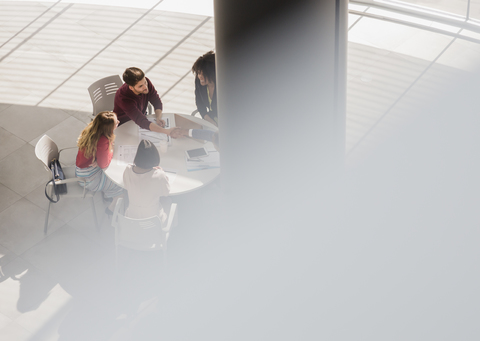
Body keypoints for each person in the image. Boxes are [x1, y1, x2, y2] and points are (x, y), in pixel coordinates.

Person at [76, 111, 124, 214]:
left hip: (81, 170)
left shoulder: (91, 129)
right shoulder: (103, 141)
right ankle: (111, 209)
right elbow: (104, 164)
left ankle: (108, 194)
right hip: (89, 179)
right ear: (108, 129)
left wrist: (100, 159)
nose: (118, 122)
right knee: (121, 184)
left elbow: (101, 160)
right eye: (116, 123)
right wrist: (110, 150)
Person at [114, 67, 177, 136]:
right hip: (125, 124)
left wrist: (158, 117)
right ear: (131, 87)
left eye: (145, 82)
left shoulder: (146, 82)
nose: (145, 87)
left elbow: (156, 101)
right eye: (140, 86)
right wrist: (167, 131)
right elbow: (142, 121)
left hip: (141, 116)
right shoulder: (124, 98)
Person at [123, 139, 171, 224]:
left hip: (132, 220)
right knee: (169, 202)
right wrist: (162, 172)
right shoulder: (159, 175)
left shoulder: (128, 170)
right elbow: (166, 193)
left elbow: (126, 186)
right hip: (154, 222)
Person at [192, 51, 217, 126]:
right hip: (211, 120)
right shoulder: (199, 81)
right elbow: (199, 103)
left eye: (204, 74)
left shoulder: (224, 86)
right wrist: (207, 118)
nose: (200, 77)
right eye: (199, 73)